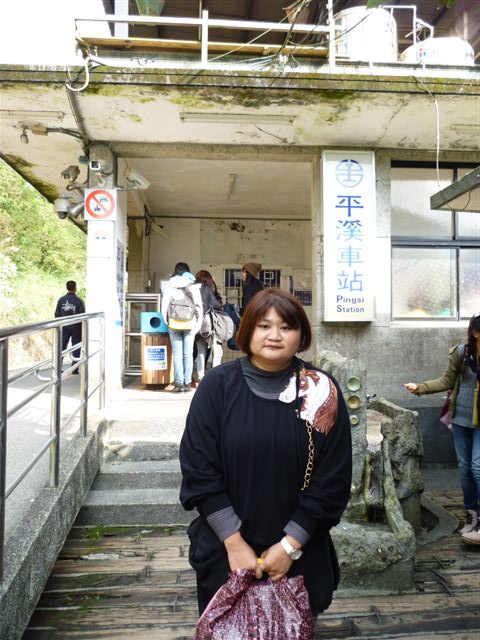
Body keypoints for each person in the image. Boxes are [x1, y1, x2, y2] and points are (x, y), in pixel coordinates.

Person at [179, 288, 352, 617]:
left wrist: (290, 545)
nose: (274, 335)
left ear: (301, 335)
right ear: (247, 331)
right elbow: (199, 468)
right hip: (225, 551)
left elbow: (334, 477)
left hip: (300, 553)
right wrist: (234, 543)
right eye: (263, 326)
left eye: (286, 327)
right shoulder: (217, 386)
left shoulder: (320, 390)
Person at [404, 313, 480, 543]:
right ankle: (471, 515)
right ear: (475, 333)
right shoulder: (462, 353)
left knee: (477, 467)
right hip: (461, 418)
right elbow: (446, 381)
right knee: (465, 468)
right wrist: (420, 387)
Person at [161, 262, 202, 393]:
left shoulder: (170, 284)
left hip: (174, 323)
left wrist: (167, 322)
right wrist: (198, 324)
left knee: (177, 353)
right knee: (188, 353)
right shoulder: (193, 285)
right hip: (190, 323)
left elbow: (164, 305)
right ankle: (187, 383)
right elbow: (198, 306)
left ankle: (179, 384)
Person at [194, 270, 223, 384]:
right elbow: (216, 304)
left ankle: (201, 377)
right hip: (207, 326)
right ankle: (215, 379)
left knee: (201, 351)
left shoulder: (192, 288)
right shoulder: (206, 288)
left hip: (195, 325)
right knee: (217, 351)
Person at [54, 280, 85, 374]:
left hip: (63, 326)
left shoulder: (61, 300)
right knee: (76, 346)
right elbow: (82, 315)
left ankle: (58, 368)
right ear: (75, 288)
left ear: (66, 288)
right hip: (76, 327)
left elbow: (57, 314)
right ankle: (74, 368)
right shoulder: (79, 300)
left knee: (61, 346)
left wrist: (60, 323)